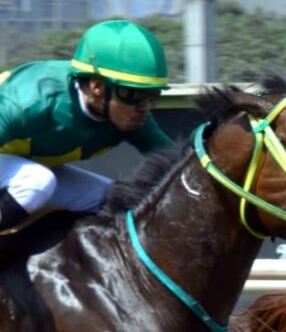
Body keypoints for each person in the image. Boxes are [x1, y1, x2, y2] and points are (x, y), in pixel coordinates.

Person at [0, 18, 172, 231]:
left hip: (24, 167)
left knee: (114, 200)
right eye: (134, 94)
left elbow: (175, 163)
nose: (144, 107)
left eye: (152, 96)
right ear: (97, 86)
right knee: (35, 182)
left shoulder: (132, 117)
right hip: (26, 171)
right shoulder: (29, 104)